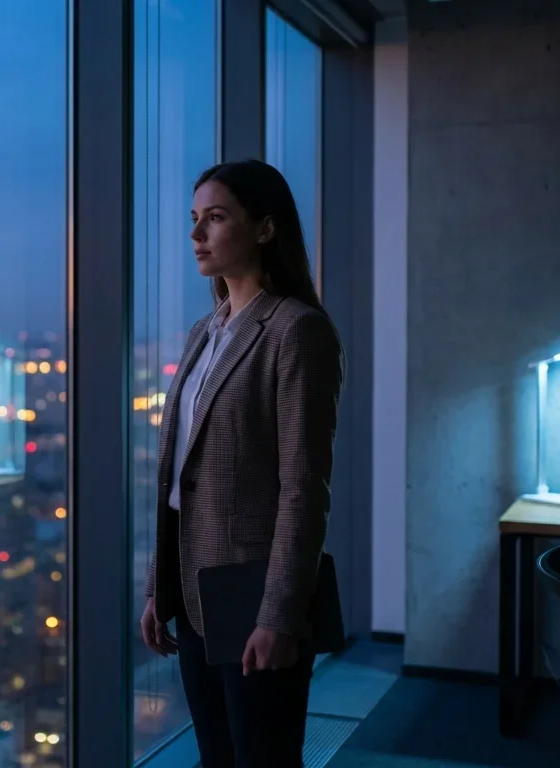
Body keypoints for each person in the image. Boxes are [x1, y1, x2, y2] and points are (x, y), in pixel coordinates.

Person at [140, 159, 345, 767]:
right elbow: (182, 477)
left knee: (265, 759)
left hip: (255, 595)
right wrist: (160, 588)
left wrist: (279, 613)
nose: (197, 234)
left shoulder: (296, 331)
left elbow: (303, 488)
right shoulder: (205, 332)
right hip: (197, 588)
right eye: (194, 219)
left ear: (264, 229)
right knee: (217, 758)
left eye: (217, 218)